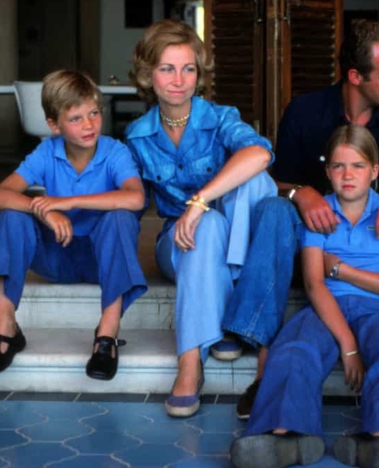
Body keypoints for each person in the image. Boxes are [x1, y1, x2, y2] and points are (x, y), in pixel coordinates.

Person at [222, 19, 379, 421]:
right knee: (272, 211)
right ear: (355, 76)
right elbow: (270, 185)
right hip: (314, 244)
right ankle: (264, 373)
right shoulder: (306, 111)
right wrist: (298, 192)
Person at [230, 125, 379, 468]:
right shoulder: (320, 212)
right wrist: (349, 346)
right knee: (294, 351)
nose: (348, 175)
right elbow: (314, 284)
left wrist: (342, 270)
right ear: (327, 171)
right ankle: (285, 438)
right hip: (324, 306)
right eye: (338, 166)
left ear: (375, 171)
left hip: (377, 308)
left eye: (357, 166)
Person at [125, 19, 277, 418]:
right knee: (202, 228)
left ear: (199, 74)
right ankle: (191, 360)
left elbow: (260, 154)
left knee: (253, 181)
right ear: (148, 75)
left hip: (225, 234)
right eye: (167, 69)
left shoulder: (222, 117)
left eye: (188, 68)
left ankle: (197, 355)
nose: (179, 80)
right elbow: (131, 204)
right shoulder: (138, 136)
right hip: (178, 244)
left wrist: (200, 200)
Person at [0, 70, 147, 381]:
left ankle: (106, 336)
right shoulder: (47, 152)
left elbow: (136, 198)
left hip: (102, 261)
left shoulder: (115, 152)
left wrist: (68, 203)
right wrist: (43, 211)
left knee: (121, 216)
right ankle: (5, 329)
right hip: (57, 257)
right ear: (54, 125)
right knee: (12, 217)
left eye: (94, 113)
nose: (89, 124)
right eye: (76, 118)